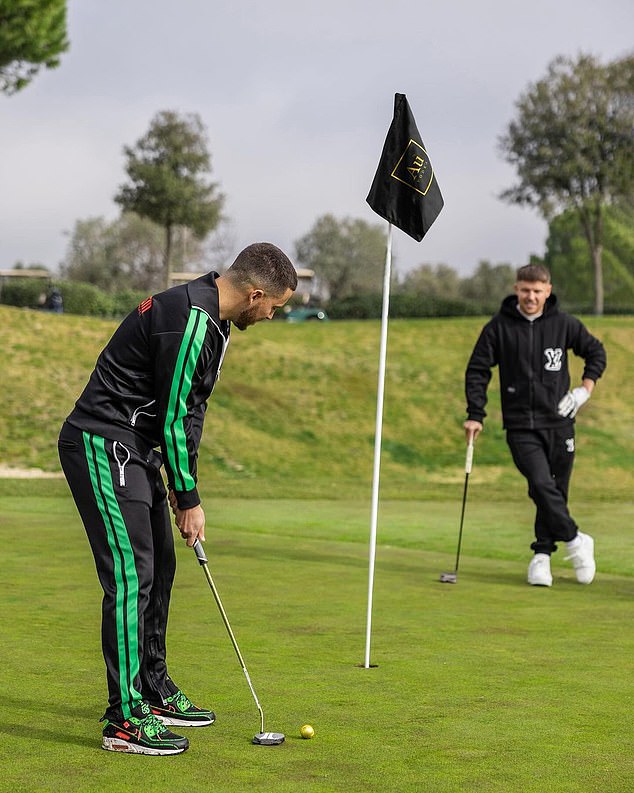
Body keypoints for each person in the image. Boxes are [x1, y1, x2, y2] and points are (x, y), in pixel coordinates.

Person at [58, 243, 297, 755]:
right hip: (103, 440)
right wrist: (188, 496)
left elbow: (189, 411)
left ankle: (151, 688)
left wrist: (177, 477)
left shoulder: (216, 323)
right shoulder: (192, 318)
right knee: (129, 576)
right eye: (274, 305)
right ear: (255, 294)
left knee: (160, 566)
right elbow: (172, 414)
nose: (272, 314)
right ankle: (122, 720)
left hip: (138, 449)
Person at [463, 263, 606, 588]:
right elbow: (478, 371)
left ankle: (541, 556)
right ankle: (575, 541)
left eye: (537, 291)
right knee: (541, 485)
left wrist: (584, 391)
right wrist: (476, 413)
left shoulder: (565, 324)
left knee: (556, 490)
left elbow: (596, 353)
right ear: (516, 289)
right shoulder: (498, 328)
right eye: (525, 290)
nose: (531, 297)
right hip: (520, 425)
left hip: (560, 421)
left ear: (548, 291)